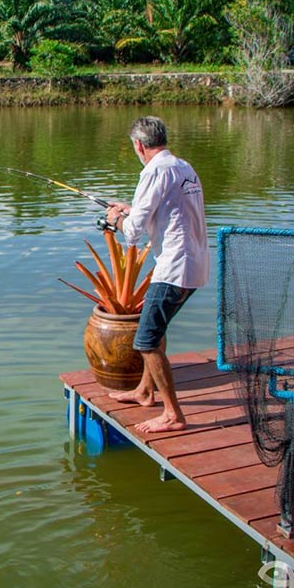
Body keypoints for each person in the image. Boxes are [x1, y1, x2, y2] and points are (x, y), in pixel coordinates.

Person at [104, 116, 209, 433]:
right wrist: (129, 208)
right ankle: (145, 391)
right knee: (156, 327)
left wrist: (115, 219)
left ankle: (173, 414)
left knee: (147, 340)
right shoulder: (182, 167)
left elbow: (133, 232)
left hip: (175, 266)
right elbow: (168, 210)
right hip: (194, 262)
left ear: (138, 144)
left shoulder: (154, 171)